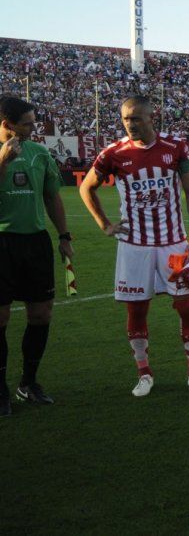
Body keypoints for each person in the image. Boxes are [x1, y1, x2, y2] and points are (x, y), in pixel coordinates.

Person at [79, 95, 189, 397]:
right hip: (134, 245)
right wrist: (104, 224)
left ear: (152, 118)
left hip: (173, 243)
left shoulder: (175, 148)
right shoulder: (113, 153)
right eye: (126, 119)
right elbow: (87, 187)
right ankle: (144, 374)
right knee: (137, 309)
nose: (130, 124)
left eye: (136, 118)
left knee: (187, 306)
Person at [0, 97, 72, 415]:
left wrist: (64, 236)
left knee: (41, 315)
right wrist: (3, 162)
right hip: (2, 242)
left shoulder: (39, 153)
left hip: (35, 242)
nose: (33, 128)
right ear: (7, 125)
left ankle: (28, 383)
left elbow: (52, 197)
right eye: (27, 124)